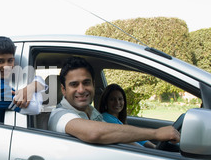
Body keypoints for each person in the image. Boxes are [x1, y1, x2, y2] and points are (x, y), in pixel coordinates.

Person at [48, 56, 180, 145]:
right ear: (63, 89)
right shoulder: (59, 115)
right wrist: (156, 134)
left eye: (86, 83)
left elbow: (116, 132)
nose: (81, 90)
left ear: (93, 84)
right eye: (74, 84)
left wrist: (145, 149)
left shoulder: (90, 110)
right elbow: (95, 133)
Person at [0, 36, 47, 122]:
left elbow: (43, 85)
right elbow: (35, 108)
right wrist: (34, 85)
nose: (6, 66)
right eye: (0, 61)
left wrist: (31, 87)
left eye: (10, 61)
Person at [98, 83, 156, 148]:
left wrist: (154, 147)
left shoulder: (116, 118)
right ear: (106, 101)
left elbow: (134, 136)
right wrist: (149, 151)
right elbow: (127, 140)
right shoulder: (106, 118)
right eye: (112, 99)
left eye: (120, 99)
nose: (117, 102)